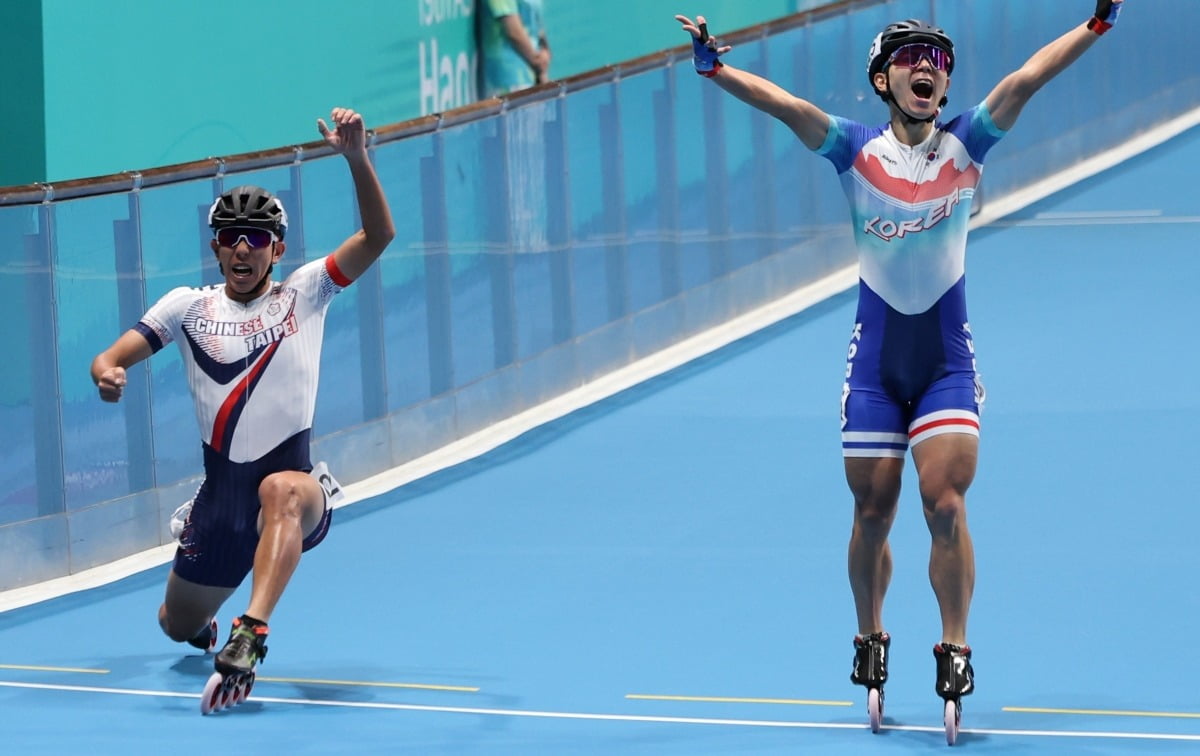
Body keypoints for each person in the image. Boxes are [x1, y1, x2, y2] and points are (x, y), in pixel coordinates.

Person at [675, 0, 1125, 727]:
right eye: (912, 58)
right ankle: (870, 631)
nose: (928, 68)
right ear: (882, 80)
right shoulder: (854, 149)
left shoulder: (967, 143)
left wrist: (1096, 23)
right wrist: (716, 66)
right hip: (876, 369)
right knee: (872, 512)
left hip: (944, 363)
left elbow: (1025, 79)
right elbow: (786, 105)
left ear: (945, 88)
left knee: (945, 504)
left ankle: (954, 645)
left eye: (939, 61)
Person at [90, 107, 395, 705]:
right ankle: (206, 627)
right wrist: (108, 372)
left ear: (276, 248)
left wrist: (357, 158)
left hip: (293, 490)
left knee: (281, 491)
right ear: (216, 247)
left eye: (256, 239)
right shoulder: (187, 307)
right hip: (219, 504)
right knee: (173, 625)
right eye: (231, 238)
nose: (242, 249)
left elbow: (378, 235)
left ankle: (250, 631)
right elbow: (112, 354)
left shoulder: (306, 292)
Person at [477, 0, 550, 98]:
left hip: (533, 73)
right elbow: (514, 33)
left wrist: (542, 68)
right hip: (507, 76)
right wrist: (536, 62)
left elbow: (538, 26)